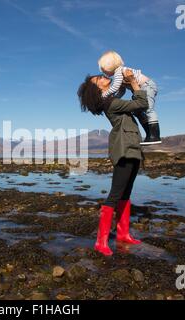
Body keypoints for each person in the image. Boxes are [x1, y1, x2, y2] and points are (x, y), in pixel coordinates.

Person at [77, 69, 148, 256]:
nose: (103, 77)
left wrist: (127, 81)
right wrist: (133, 82)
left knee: (126, 194)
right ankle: (101, 242)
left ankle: (123, 234)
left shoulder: (113, 97)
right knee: (115, 195)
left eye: (100, 75)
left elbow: (120, 90)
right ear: (97, 89)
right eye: (98, 79)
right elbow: (141, 103)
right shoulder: (110, 103)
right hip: (123, 149)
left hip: (132, 147)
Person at [98, 50, 161, 145]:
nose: (103, 72)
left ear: (109, 65)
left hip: (147, 86)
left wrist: (105, 95)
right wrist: (115, 98)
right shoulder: (119, 73)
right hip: (142, 89)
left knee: (148, 109)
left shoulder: (119, 72)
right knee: (137, 111)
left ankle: (155, 136)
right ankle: (149, 135)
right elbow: (121, 90)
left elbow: (115, 87)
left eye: (103, 69)